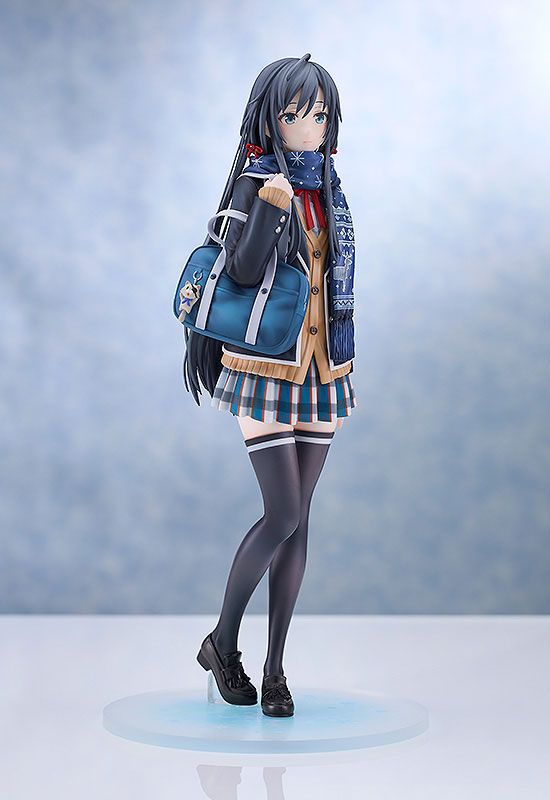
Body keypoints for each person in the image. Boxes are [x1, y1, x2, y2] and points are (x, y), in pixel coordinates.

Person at [185, 54, 357, 717]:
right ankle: (222, 643)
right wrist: (269, 207)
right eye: (295, 114)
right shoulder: (256, 184)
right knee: (281, 513)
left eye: (319, 115)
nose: (310, 126)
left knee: (300, 521)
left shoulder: (331, 190)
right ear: (269, 119)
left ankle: (275, 667)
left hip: (323, 367)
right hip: (263, 368)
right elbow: (244, 270)